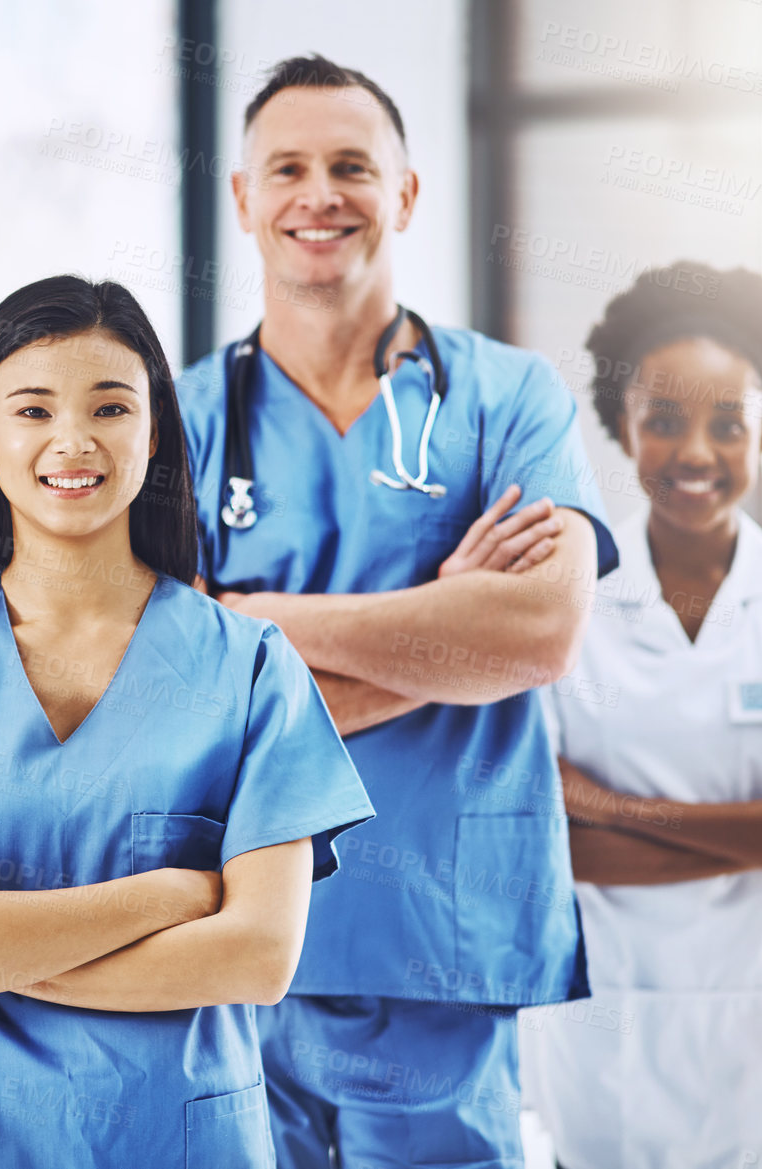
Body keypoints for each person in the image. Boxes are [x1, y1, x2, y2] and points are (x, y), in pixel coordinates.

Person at [0, 274, 377, 1167]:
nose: (73, 441)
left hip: (173, 1134)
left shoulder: (251, 667)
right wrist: (167, 896)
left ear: (153, 431)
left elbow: (256, 956)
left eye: (109, 407)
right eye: (32, 409)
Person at [174, 55, 621, 1167]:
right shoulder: (178, 419)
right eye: (288, 167)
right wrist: (439, 625)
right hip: (229, 942)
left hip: (439, 942)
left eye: (351, 167)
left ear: (407, 194)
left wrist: (246, 616)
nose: (318, 194)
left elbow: (539, 632)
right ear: (243, 198)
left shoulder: (508, 397)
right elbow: (166, 699)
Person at [517, 263, 762, 1169]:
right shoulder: (565, 603)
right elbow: (547, 844)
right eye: (664, 420)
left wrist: (615, 805)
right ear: (623, 427)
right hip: (608, 1030)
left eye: (728, 423)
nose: (696, 451)